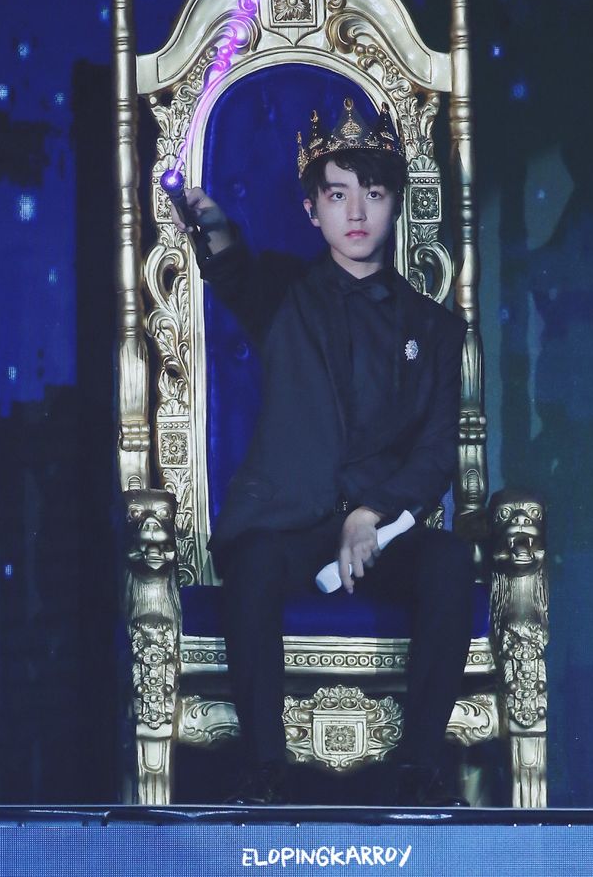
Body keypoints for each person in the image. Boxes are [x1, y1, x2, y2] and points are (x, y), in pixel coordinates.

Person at [171, 97, 474, 805]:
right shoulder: (282, 293)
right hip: (290, 521)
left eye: (374, 193)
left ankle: (420, 768)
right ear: (313, 211)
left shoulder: (435, 330)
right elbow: (230, 266)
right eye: (338, 196)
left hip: (377, 530)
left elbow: (437, 454)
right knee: (251, 563)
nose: (357, 212)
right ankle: (265, 768)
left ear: (395, 202)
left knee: (450, 561)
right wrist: (210, 223)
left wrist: (371, 514)